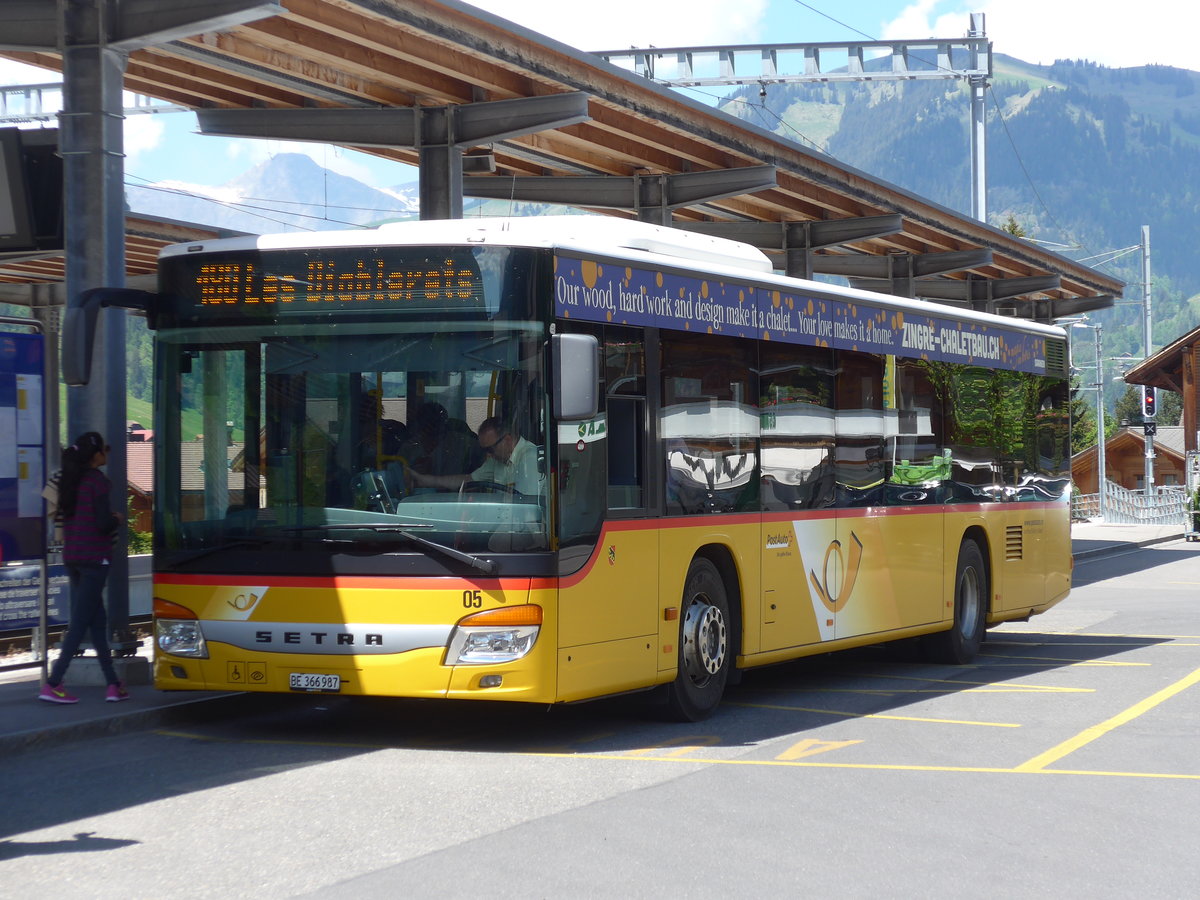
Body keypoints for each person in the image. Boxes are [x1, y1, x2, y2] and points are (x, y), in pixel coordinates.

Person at [38, 432, 129, 704]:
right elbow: (102, 524)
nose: (106, 454)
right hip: (94, 558)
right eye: (104, 450)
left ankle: (113, 684)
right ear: (96, 456)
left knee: (96, 621)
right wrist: (117, 519)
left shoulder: (69, 480)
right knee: (79, 623)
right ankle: (53, 682)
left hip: (73, 556)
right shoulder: (97, 482)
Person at [407, 416, 542, 496]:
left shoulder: (529, 458)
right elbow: (468, 479)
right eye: (485, 450)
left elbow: (526, 509)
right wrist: (424, 480)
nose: (488, 454)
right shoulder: (499, 460)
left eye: (490, 449)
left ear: (507, 440)